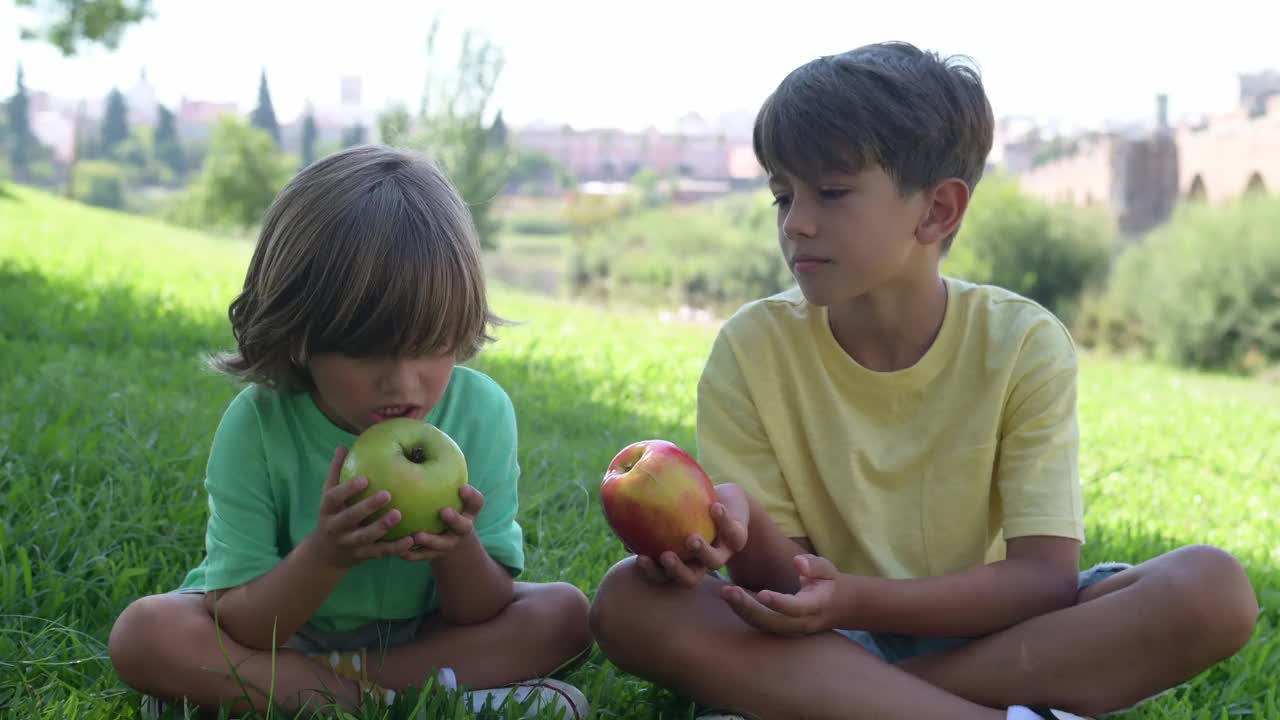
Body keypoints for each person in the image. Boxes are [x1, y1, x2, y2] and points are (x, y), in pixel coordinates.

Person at [588, 42, 1259, 720]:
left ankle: (844, 704)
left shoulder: (1023, 343)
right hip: (825, 639)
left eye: (831, 191)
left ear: (937, 210)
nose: (796, 222)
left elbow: (1042, 580)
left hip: (990, 631)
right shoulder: (750, 348)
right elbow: (784, 593)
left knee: (1213, 587)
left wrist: (858, 599)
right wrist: (744, 520)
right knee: (629, 601)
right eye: (783, 195)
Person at [108, 145, 593, 719]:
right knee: (145, 633)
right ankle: (422, 701)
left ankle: (289, 697)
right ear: (297, 334)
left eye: (430, 346)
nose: (402, 382)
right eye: (367, 352)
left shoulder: (480, 412)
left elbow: (481, 610)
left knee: (566, 615)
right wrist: (328, 554)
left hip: (423, 639)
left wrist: (456, 545)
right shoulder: (259, 423)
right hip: (281, 638)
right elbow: (239, 620)